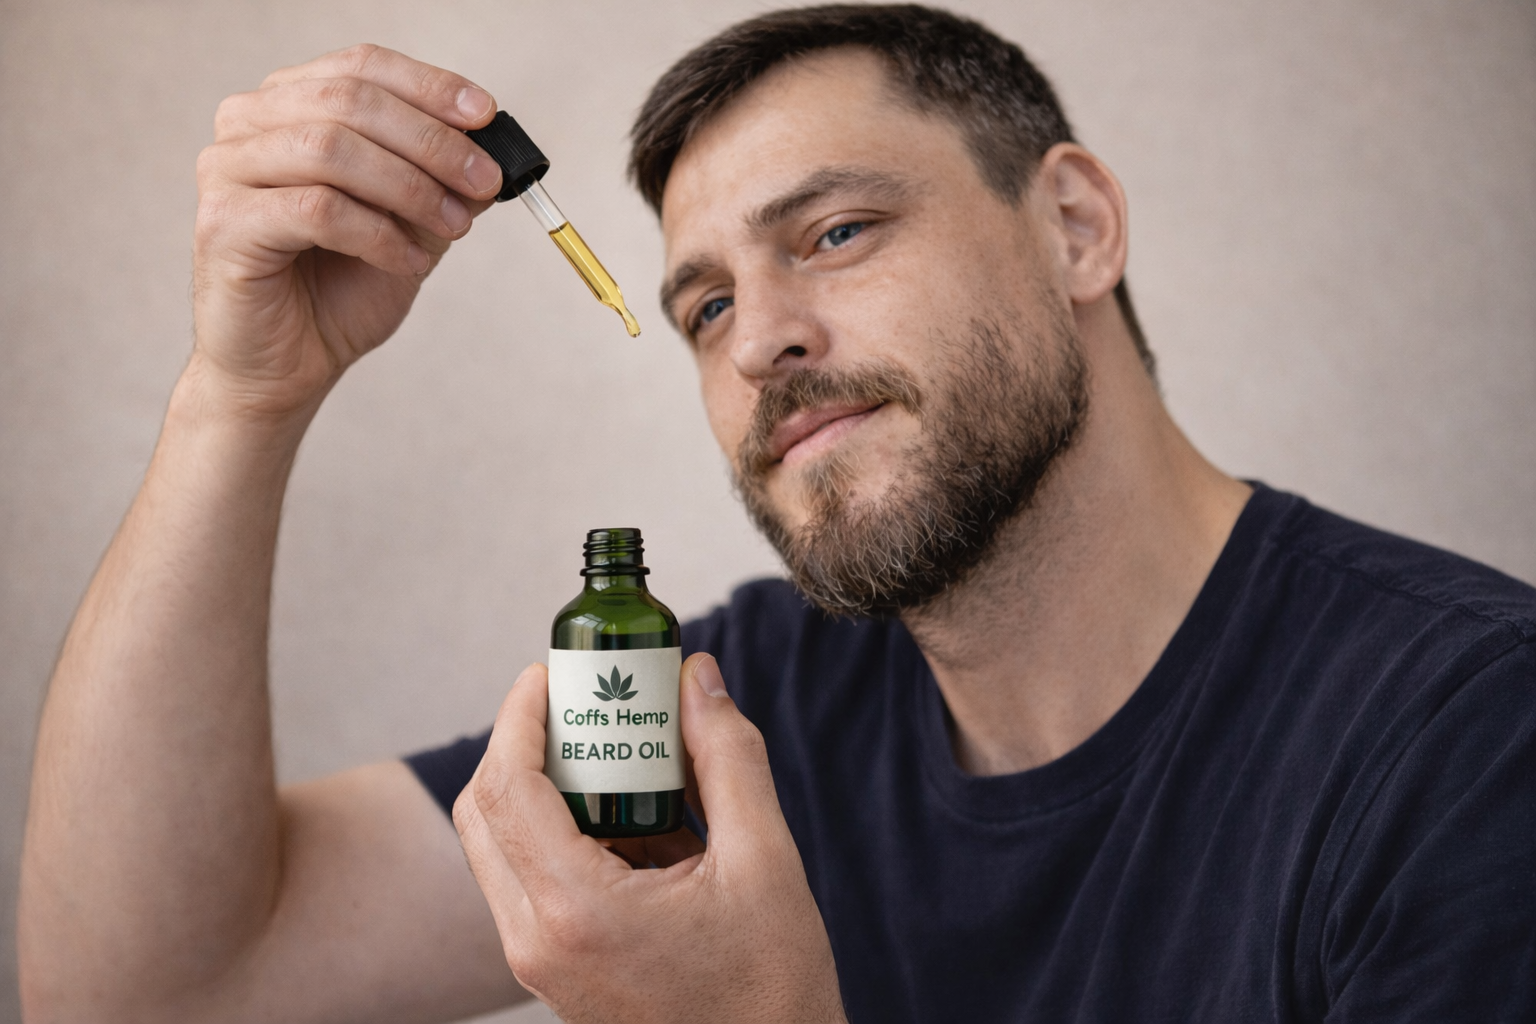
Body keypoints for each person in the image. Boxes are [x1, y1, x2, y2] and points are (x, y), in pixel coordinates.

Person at [18, 5, 1535, 1022]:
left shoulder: (1471, 743)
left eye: (839, 230)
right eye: (703, 307)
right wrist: (244, 396)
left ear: (1073, 227)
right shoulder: (750, 710)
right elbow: (151, 985)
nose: (759, 342)